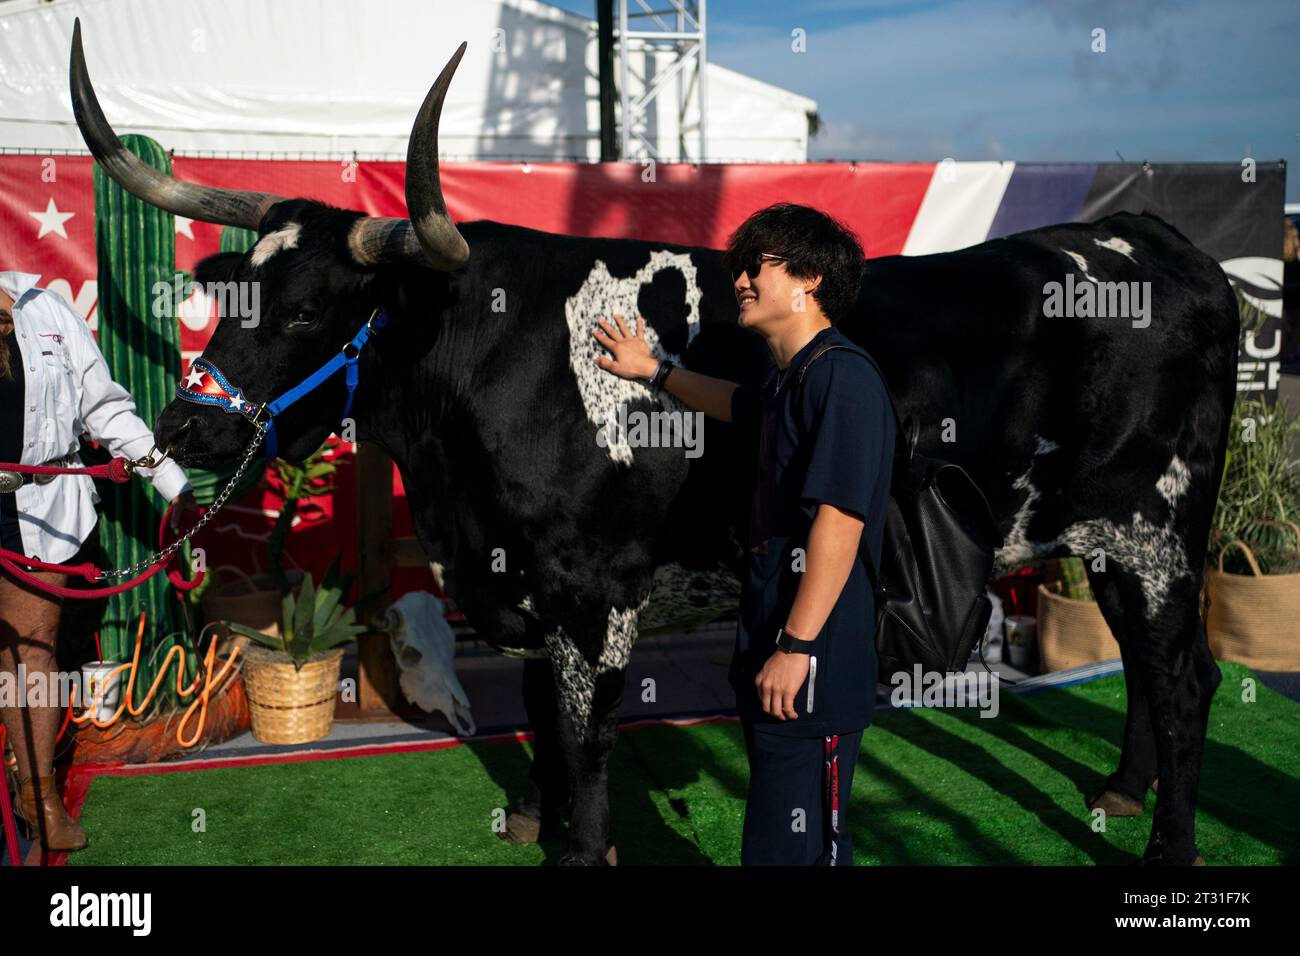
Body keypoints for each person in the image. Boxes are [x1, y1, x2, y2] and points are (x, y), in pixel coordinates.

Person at [593, 203, 894, 865]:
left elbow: (841, 525)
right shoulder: (795, 378)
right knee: (771, 840)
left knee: (797, 849)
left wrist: (796, 646)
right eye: (740, 268)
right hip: (772, 643)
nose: (742, 280)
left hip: (813, 658)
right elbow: (740, 404)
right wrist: (653, 370)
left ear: (810, 279)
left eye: (759, 265)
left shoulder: (844, 379)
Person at [0, 271, 197, 852]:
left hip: (37, 508)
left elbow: (107, 411)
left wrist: (172, 482)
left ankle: (38, 794)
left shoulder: (46, 308)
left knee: (30, 650)